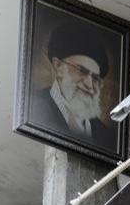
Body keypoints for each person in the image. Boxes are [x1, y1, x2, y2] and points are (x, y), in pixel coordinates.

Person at [29, 20, 116, 150]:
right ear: (58, 66)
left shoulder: (104, 135)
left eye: (96, 78)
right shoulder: (34, 107)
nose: (89, 85)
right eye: (82, 71)